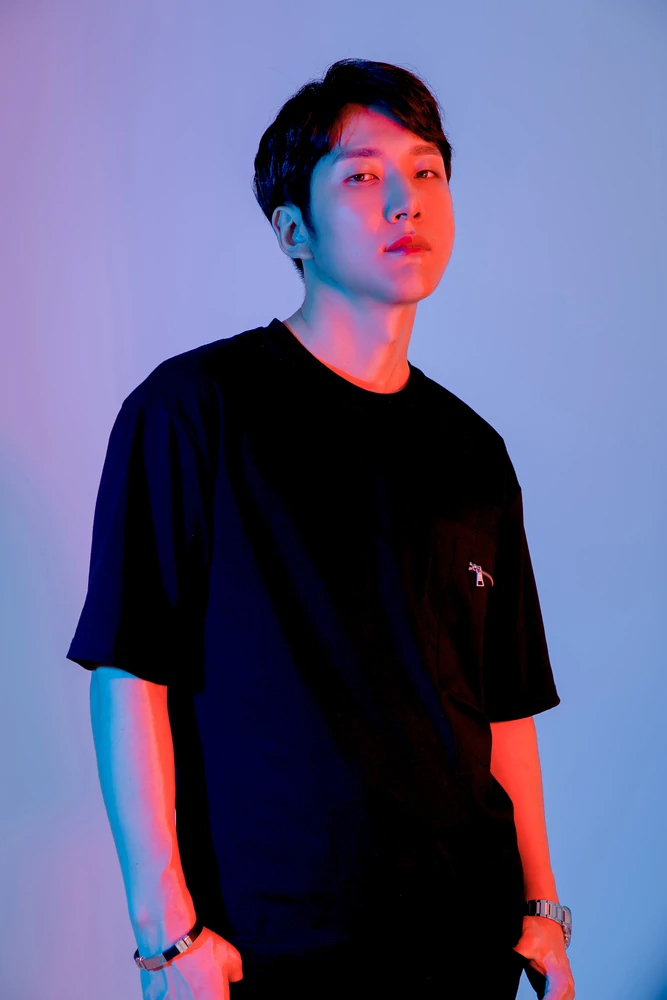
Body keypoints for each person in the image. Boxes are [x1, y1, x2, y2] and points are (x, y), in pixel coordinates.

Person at [67, 58, 576, 1000]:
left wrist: (540, 911)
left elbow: (504, 702)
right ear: (292, 230)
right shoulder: (193, 410)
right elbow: (129, 670)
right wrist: (166, 938)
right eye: (361, 175)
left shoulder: (473, 453)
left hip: (464, 944)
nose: (405, 200)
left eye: (425, 171)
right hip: (268, 951)